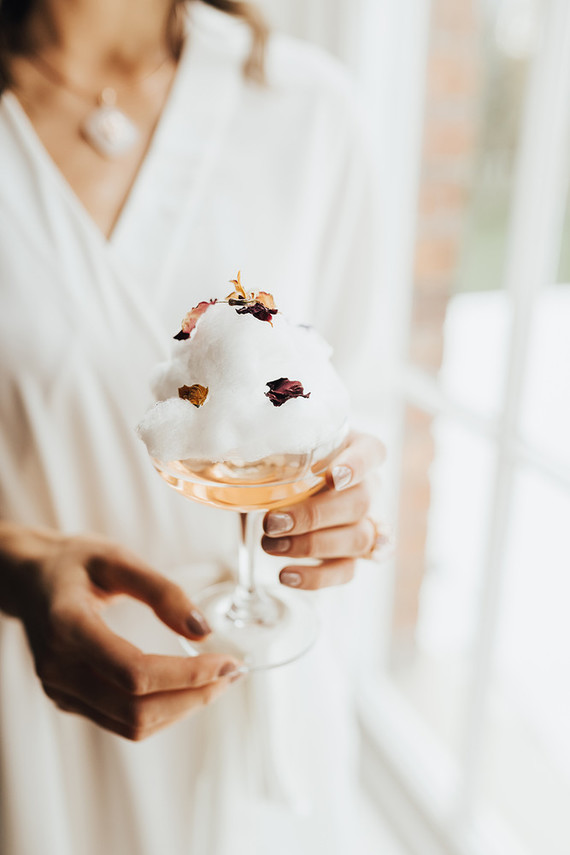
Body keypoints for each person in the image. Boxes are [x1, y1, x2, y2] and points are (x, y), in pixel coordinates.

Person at [0, 0, 386, 852]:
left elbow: (365, 396)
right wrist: (21, 569)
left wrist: (351, 493)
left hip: (269, 684)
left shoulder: (308, 108)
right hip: (35, 700)